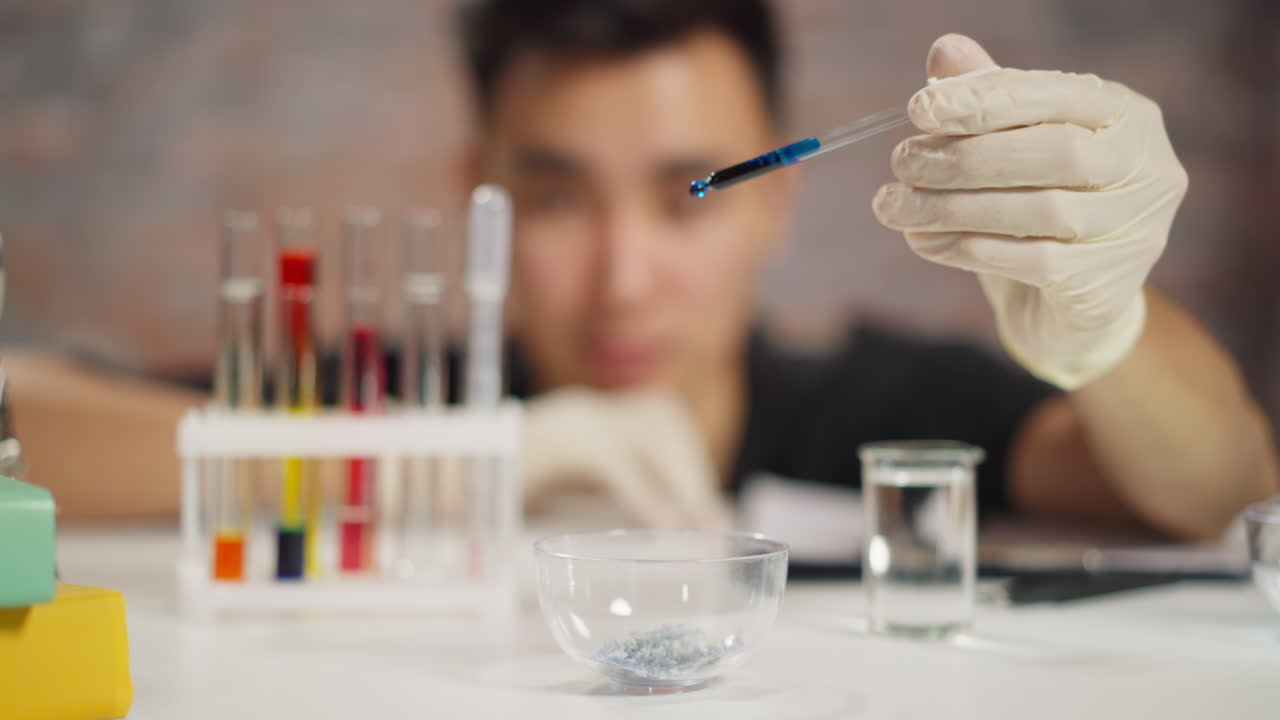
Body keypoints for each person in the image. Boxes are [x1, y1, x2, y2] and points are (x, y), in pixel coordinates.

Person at [7, 0, 1275, 539]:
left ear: (772, 204)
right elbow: (28, 431)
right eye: (557, 199)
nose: (621, 281)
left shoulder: (887, 414)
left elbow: (1219, 493)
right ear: (478, 195)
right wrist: (459, 457)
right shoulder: (419, 392)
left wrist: (1103, 329)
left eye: (688, 198)